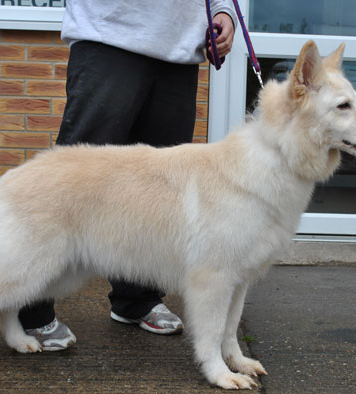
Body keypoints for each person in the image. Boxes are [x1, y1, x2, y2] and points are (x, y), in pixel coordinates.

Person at [18, 0, 237, 351]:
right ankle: (28, 306)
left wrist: (223, 10)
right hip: (110, 36)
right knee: (72, 178)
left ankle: (136, 299)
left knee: (159, 192)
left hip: (179, 51)